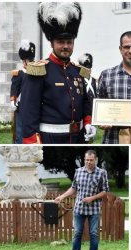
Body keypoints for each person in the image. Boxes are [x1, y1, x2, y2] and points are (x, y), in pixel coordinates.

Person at [20, 2, 96, 144]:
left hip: (78, 139)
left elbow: (85, 101)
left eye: (69, 42)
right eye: (61, 42)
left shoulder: (77, 71)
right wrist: (32, 142)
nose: (66, 46)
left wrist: (87, 123)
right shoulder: (39, 71)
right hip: (50, 139)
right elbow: (28, 109)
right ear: (52, 43)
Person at [54, 150, 108, 250]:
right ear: (84, 159)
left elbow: (104, 191)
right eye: (87, 160)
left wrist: (92, 198)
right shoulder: (78, 171)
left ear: (96, 160)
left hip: (94, 209)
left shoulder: (101, 173)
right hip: (79, 209)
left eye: (91, 160)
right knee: (77, 233)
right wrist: (62, 197)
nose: (89, 162)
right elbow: (73, 188)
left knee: (94, 234)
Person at [10, 40, 36, 144]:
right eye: (29, 60)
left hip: (33, 106)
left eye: (32, 59)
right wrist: (12, 100)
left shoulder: (37, 73)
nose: (31, 62)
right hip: (21, 106)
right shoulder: (19, 74)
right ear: (24, 62)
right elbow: (14, 88)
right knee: (20, 130)